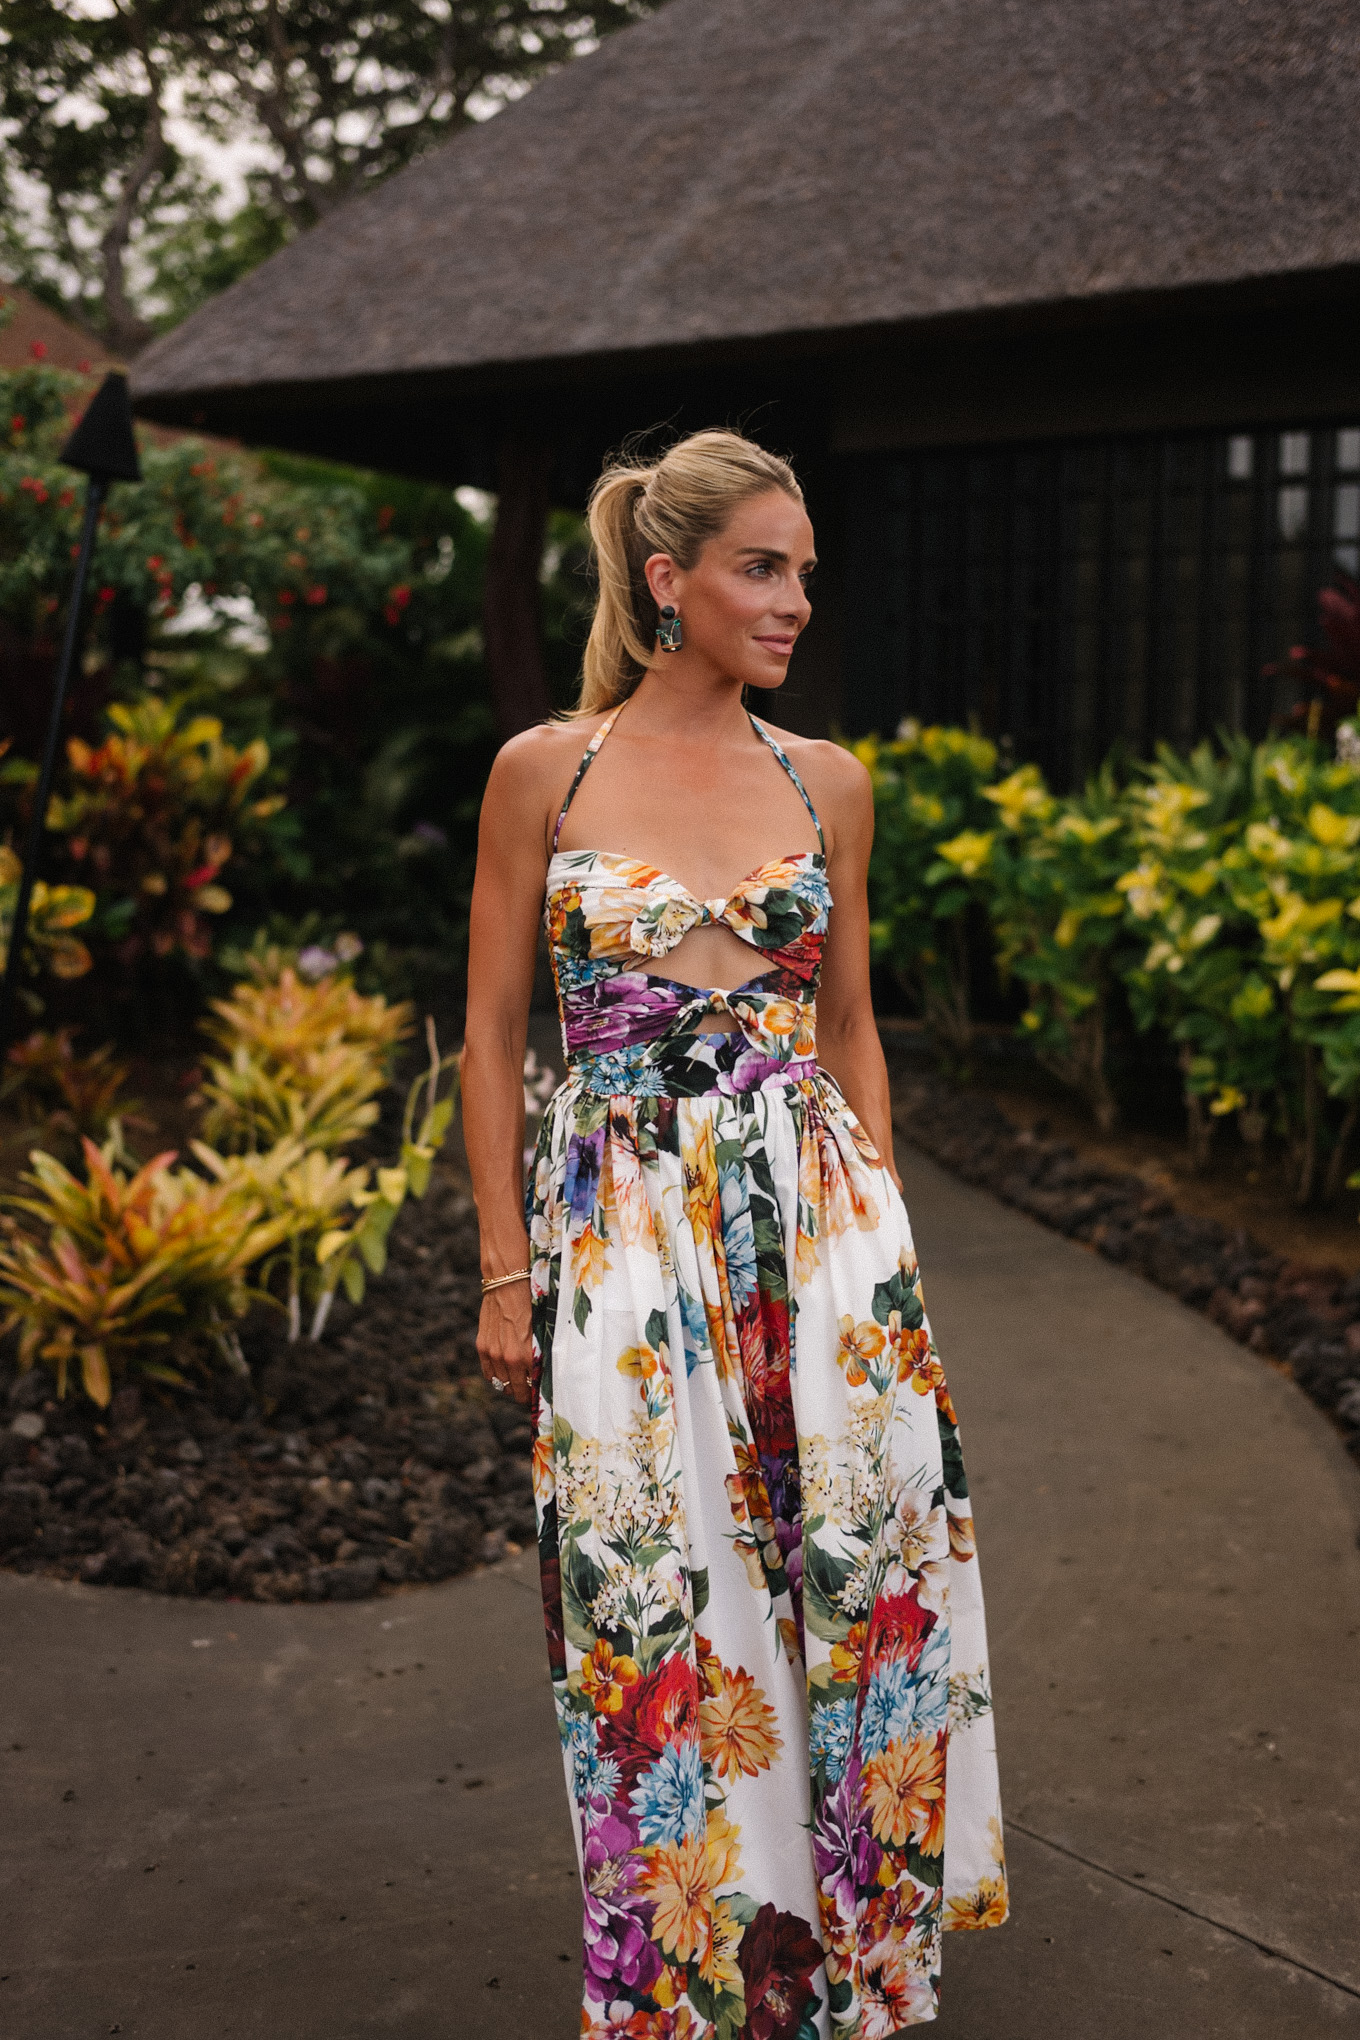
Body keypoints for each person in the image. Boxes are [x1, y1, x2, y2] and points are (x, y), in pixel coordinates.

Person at [462, 428, 1007, 2038]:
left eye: (805, 575)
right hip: (623, 1238)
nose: (793, 604)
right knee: (650, 1582)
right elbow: (495, 1033)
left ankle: (854, 1963)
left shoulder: (823, 779)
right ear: (666, 580)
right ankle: (682, 1973)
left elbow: (850, 1026)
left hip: (825, 1240)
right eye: (762, 569)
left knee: (855, 1574)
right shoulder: (541, 772)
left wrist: (887, 1248)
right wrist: (505, 1267)